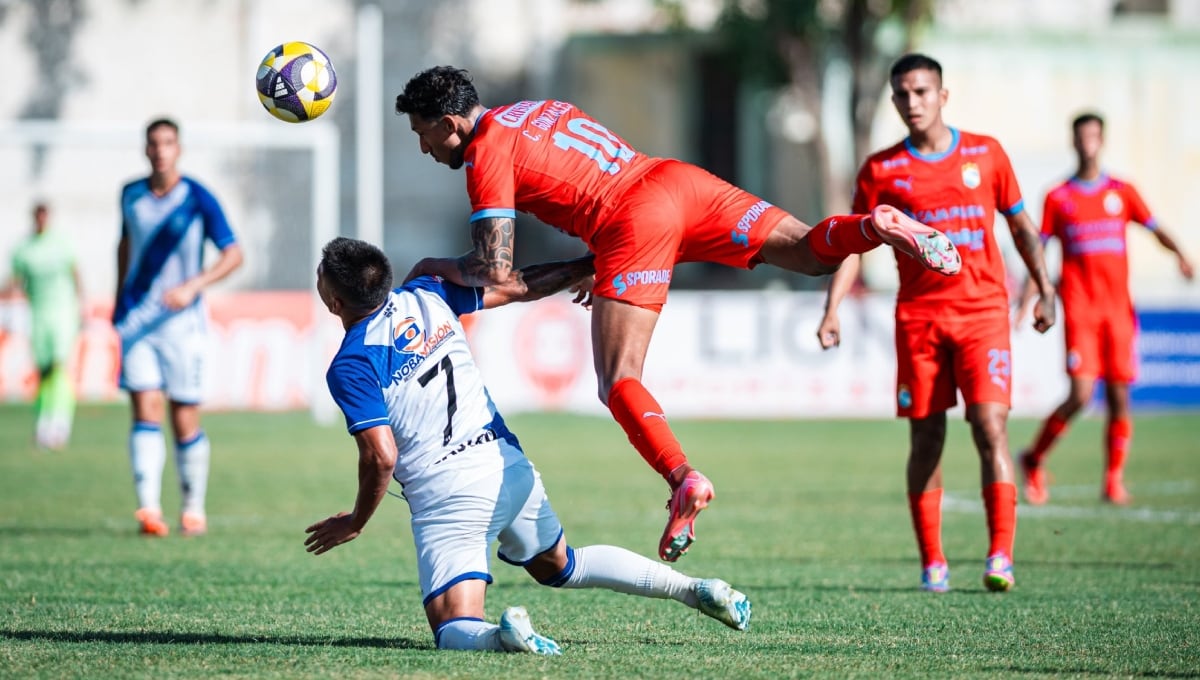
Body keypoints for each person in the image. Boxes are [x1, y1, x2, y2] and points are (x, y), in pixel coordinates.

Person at [394, 65, 964, 562]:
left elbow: (497, 270)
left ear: (449, 123)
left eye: (422, 136)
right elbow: (581, 173)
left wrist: (433, 266)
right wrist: (598, 260)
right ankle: (875, 225)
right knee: (810, 253)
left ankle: (682, 477)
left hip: (634, 220)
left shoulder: (486, 150)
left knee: (619, 381)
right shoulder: (533, 110)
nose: (424, 149)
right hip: (676, 182)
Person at [305, 236, 752, 654]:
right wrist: (586, 265)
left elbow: (381, 456)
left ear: (334, 301)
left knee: (451, 626)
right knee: (561, 565)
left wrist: (356, 521)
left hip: (449, 494)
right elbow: (521, 286)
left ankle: (505, 637)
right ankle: (692, 588)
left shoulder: (352, 363)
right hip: (507, 468)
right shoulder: (428, 294)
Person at [816, 53, 1057, 593]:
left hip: (984, 314)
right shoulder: (881, 170)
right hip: (920, 319)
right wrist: (832, 307)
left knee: (990, 426)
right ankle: (933, 562)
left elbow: (1021, 226)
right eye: (902, 94)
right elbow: (854, 245)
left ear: (943, 96)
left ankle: (1001, 556)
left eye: (922, 92)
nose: (912, 102)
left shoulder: (986, 154)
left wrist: (1044, 288)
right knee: (926, 438)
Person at [1016, 112, 1195, 506]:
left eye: (1094, 135)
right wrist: (1028, 296)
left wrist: (1181, 254)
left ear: (1102, 140)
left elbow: (1154, 226)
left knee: (1119, 397)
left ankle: (1113, 479)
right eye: (1082, 136)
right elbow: (1038, 249)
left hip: (1118, 312)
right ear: (1074, 141)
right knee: (1081, 393)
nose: (1088, 142)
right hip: (1081, 310)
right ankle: (1033, 457)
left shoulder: (1122, 191)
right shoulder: (1058, 196)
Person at [114, 118, 244, 537]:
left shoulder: (197, 197)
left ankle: (192, 508)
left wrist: (195, 286)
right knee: (144, 410)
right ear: (145, 149)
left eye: (168, 142)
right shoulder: (130, 194)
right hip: (137, 321)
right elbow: (125, 246)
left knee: (184, 415)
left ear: (178, 149)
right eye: (153, 143)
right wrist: (119, 300)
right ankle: (149, 510)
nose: (160, 150)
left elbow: (233, 254)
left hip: (181, 324)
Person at [2, 202, 85, 450]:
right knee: (44, 370)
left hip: (63, 312)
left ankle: (60, 423)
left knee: (60, 366)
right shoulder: (24, 249)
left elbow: (75, 273)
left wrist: (82, 305)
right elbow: (15, 280)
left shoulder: (62, 243)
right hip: (38, 313)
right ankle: (43, 422)